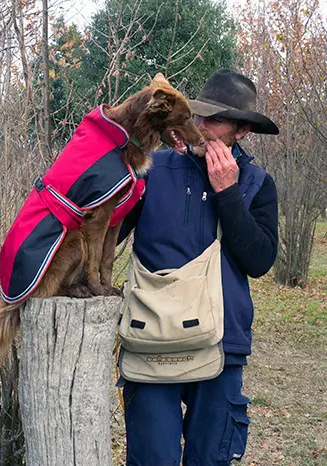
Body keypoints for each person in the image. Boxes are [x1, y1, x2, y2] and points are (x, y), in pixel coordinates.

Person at [117, 69, 280, 465]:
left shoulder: (257, 182)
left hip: (222, 345)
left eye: (215, 120)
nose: (201, 127)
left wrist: (227, 192)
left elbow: (259, 261)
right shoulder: (152, 170)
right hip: (151, 339)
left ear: (241, 131)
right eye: (199, 116)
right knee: (152, 458)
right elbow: (111, 230)